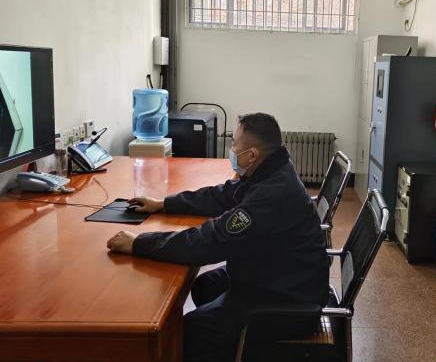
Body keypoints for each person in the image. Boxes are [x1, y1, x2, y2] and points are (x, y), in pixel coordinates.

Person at [107, 112, 329, 362]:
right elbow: (222, 195)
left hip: (287, 300)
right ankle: (230, 350)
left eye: (234, 143)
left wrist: (139, 243)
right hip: (278, 274)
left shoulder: (270, 195)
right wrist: (164, 204)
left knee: (188, 332)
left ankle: (227, 344)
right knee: (205, 285)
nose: (232, 149)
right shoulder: (270, 170)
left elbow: (208, 242)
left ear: (252, 155)